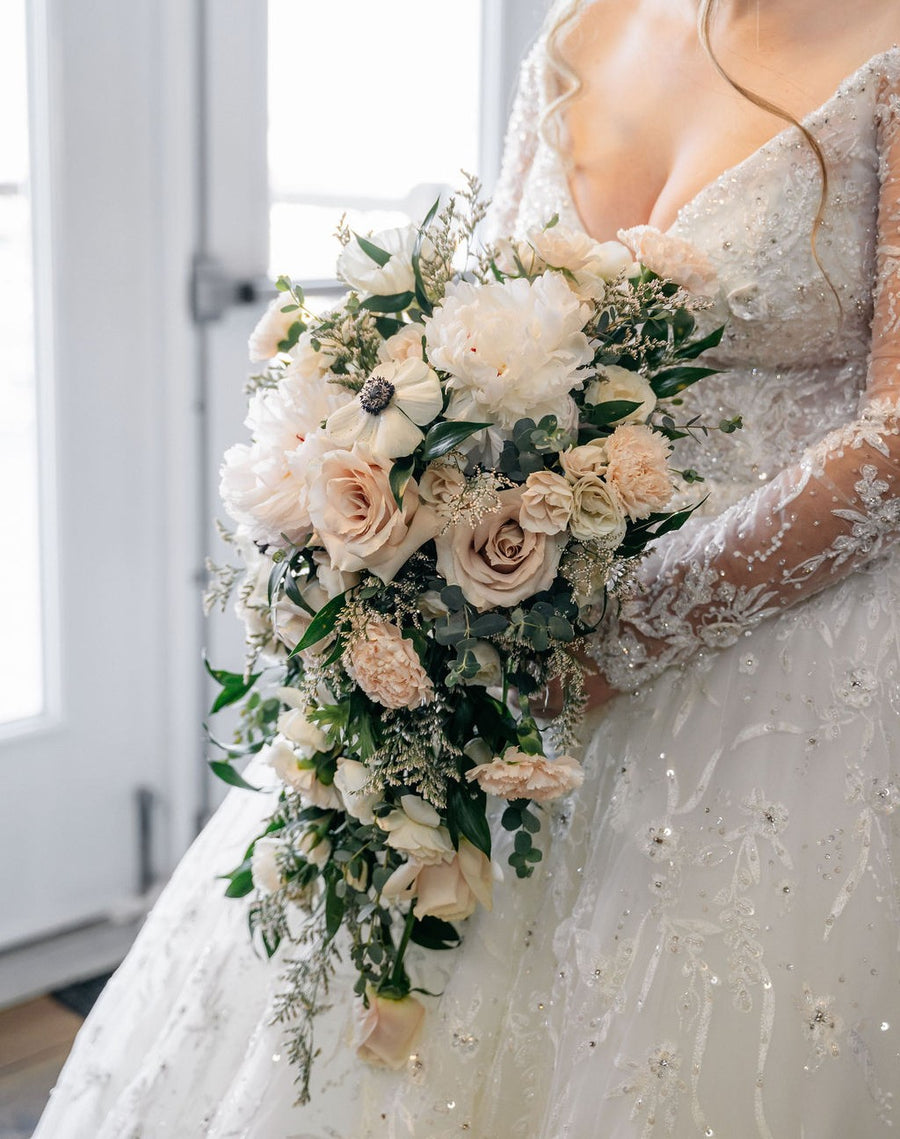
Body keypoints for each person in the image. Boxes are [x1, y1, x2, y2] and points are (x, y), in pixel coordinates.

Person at [36, 0, 900, 1134]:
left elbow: (894, 431)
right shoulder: (585, 28)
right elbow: (480, 316)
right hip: (496, 636)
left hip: (779, 657)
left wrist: (627, 632)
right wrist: (402, 522)